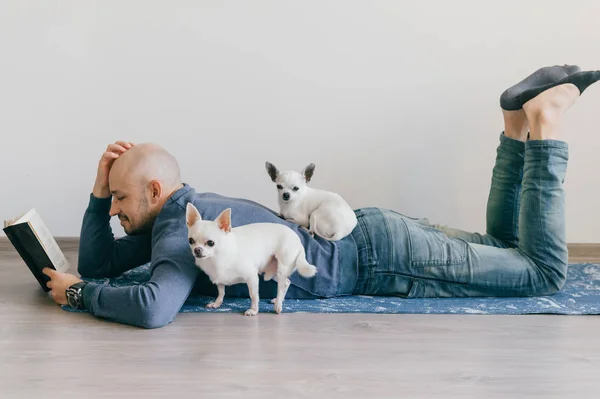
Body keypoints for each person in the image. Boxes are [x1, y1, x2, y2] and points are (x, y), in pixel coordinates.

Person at [43, 65, 600, 329]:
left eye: (116, 200)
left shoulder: (174, 234)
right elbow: (99, 266)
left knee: (543, 272)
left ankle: (543, 122)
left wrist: (76, 297)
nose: (113, 212)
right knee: (504, 247)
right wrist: (98, 190)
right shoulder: (183, 218)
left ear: (155, 192)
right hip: (374, 233)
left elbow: (151, 306)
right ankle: (515, 121)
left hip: (384, 261)